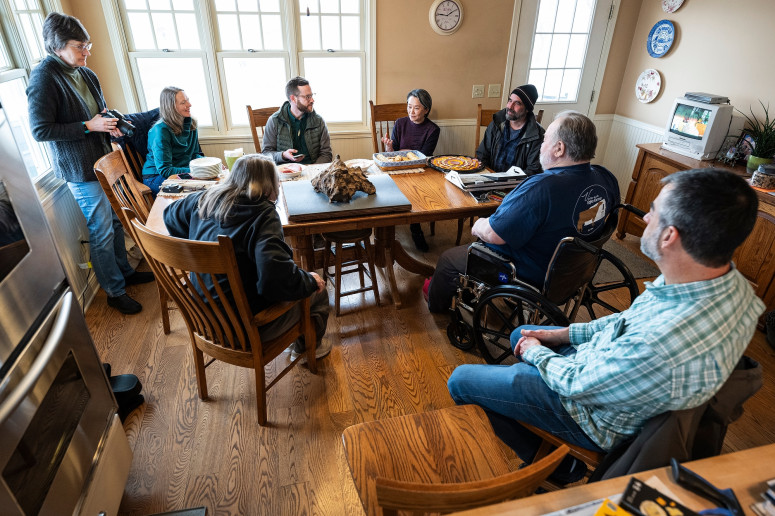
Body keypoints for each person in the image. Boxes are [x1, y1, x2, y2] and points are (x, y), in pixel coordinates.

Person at [447, 168, 764, 483]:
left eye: (653, 212)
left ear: (670, 237)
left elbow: (577, 384)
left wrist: (536, 355)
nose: (645, 219)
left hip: (600, 417)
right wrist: (563, 333)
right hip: (621, 380)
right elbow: (628, 321)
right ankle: (531, 396)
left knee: (461, 380)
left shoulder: (662, 339)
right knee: (521, 334)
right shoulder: (727, 284)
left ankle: (558, 468)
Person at [427, 111, 619, 313]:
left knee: (448, 260)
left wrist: (479, 225)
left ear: (559, 148)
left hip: (531, 271)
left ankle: (437, 309)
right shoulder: (606, 177)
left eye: (545, 140)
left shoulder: (542, 187)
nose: (541, 146)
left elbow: (494, 234)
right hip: (575, 271)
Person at [27, 12, 153, 315]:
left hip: (105, 162)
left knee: (114, 222)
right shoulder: (45, 77)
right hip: (81, 170)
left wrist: (111, 122)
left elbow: (99, 112)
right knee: (101, 230)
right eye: (80, 46)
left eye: (88, 45)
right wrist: (89, 126)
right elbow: (40, 130)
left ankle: (125, 272)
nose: (87, 52)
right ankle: (113, 290)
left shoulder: (85, 73)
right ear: (57, 47)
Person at [163, 154, 331, 360]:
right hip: (246, 329)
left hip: (205, 320)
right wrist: (309, 279)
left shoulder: (205, 198)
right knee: (318, 291)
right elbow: (274, 281)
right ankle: (306, 350)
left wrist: (198, 247)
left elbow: (169, 216)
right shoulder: (264, 216)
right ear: (270, 185)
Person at [381, 88, 440, 252]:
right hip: (398, 169)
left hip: (420, 171)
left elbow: (423, 157)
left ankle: (415, 230)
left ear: (426, 109)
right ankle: (388, 230)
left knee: (416, 192)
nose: (411, 111)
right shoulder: (400, 123)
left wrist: (401, 153)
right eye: (409, 106)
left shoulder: (433, 130)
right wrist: (389, 147)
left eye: (416, 107)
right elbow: (392, 156)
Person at [142, 86, 204, 195]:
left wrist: (209, 164)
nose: (189, 105)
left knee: (211, 186)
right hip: (157, 177)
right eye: (183, 102)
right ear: (171, 107)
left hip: (183, 172)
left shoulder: (192, 124)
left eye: (188, 100)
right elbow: (165, 170)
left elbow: (194, 155)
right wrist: (196, 170)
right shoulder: (160, 131)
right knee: (197, 192)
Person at [262, 76, 333, 166]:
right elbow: (266, 154)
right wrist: (283, 155)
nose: (312, 100)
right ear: (293, 99)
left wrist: (312, 170)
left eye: (311, 95)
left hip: (313, 171)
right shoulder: (274, 121)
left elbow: (326, 154)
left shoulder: (319, 121)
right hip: (285, 173)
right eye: (307, 97)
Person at [476, 84, 545, 175]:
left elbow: (533, 170)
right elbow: (482, 154)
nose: (510, 106)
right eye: (510, 100)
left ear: (527, 109)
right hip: (489, 177)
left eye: (517, 103)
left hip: (515, 185)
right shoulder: (496, 124)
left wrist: (506, 182)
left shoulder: (537, 135)